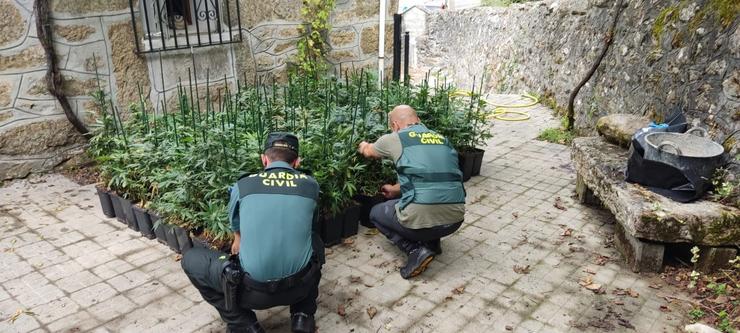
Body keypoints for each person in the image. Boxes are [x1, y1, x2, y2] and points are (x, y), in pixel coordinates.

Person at [182, 132, 323, 333]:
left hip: (251, 291)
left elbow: (235, 225)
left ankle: (244, 325)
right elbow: (311, 223)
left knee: (191, 258)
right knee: (316, 241)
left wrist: (239, 239)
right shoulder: (311, 185)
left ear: (264, 159)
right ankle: (303, 316)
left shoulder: (244, 185)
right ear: (297, 162)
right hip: (299, 287)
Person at [357, 105, 465, 279]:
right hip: (454, 220)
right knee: (430, 199)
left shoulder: (396, 138)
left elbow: (369, 152)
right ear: (419, 121)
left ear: (395, 126)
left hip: (422, 218)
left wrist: (362, 144)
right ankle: (432, 243)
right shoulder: (442, 139)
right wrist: (394, 189)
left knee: (376, 213)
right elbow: (429, 177)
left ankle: (415, 250)